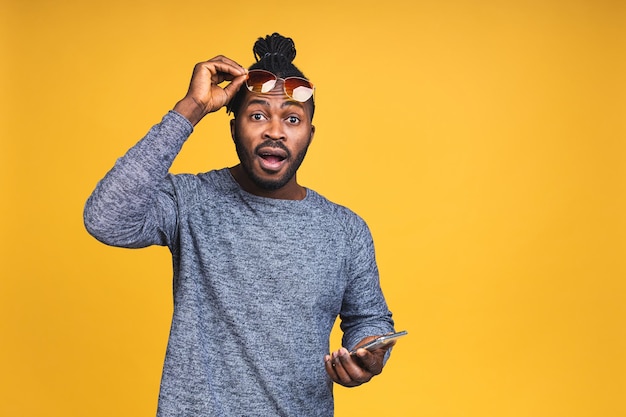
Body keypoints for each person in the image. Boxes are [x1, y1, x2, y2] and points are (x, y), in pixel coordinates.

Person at [84, 33, 396, 417]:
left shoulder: (345, 229)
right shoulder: (192, 200)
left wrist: (370, 354)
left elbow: (369, 318)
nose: (275, 131)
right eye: (258, 115)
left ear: (310, 136)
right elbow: (106, 219)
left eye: (292, 119)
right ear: (234, 129)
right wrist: (191, 108)